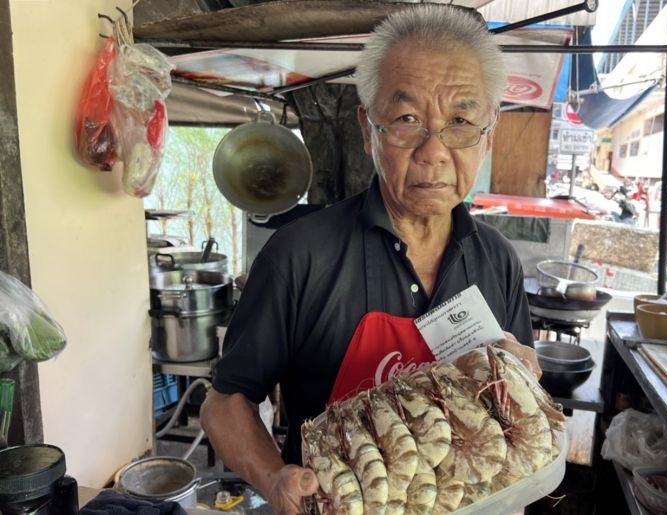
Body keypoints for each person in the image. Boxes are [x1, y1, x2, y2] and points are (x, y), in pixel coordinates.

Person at [200, 5, 540, 514]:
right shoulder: (300, 255)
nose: (434, 150)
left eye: (462, 121)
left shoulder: (496, 258)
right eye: (406, 119)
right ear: (368, 129)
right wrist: (274, 480)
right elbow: (223, 404)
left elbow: (513, 408)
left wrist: (524, 385)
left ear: (488, 136)